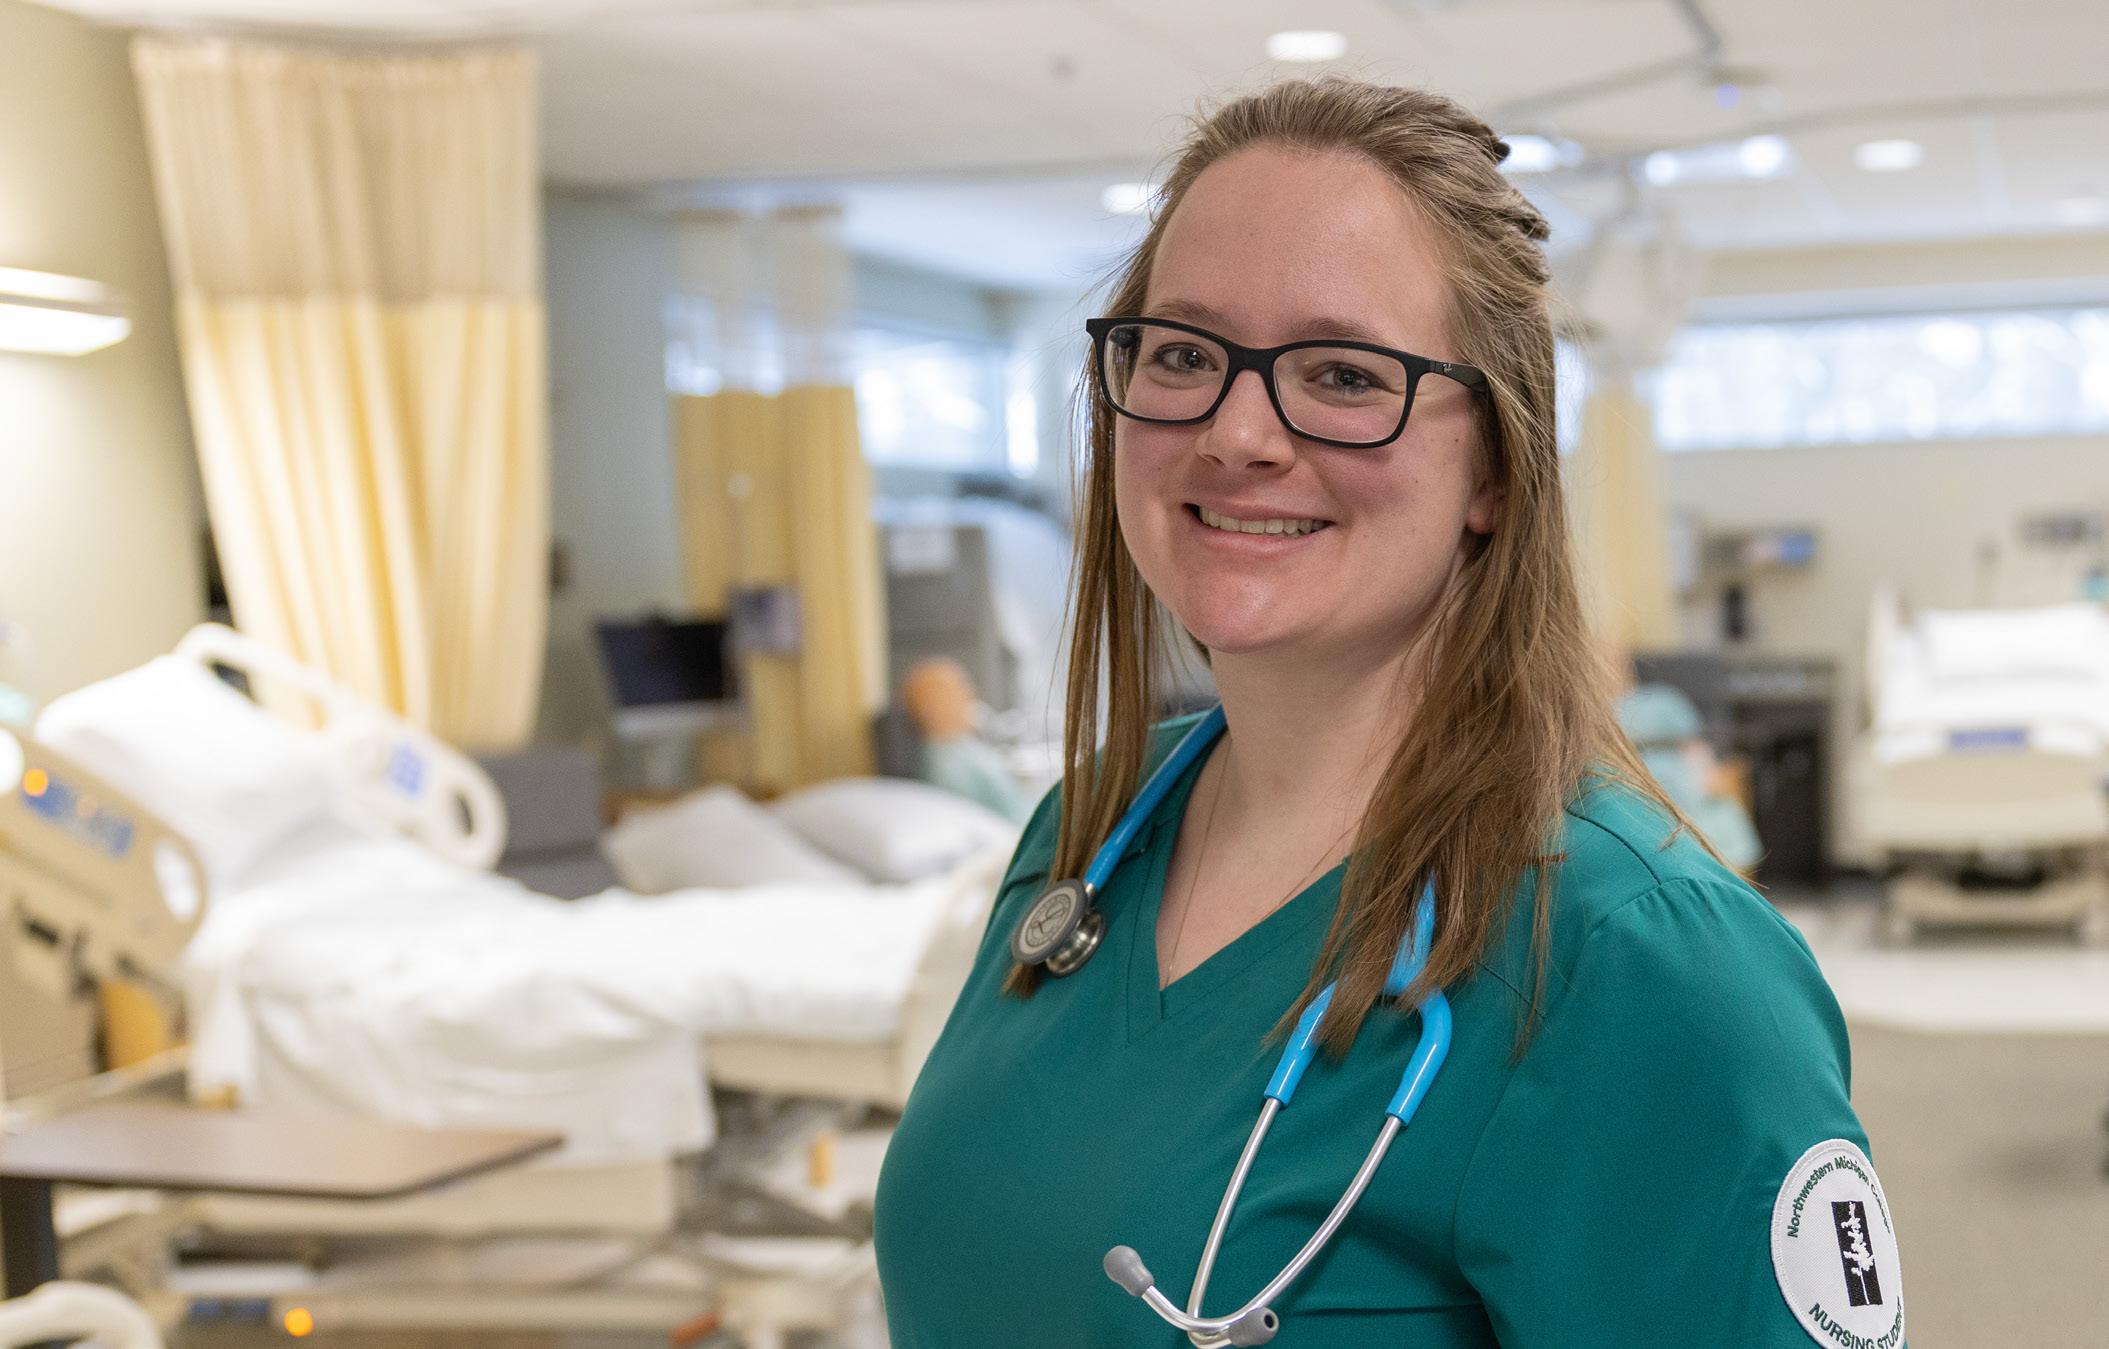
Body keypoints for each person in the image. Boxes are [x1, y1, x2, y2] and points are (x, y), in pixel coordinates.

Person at [874, 78, 1903, 1348]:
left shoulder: (1638, 961)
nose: (1237, 431)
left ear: (1494, 469)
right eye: (1183, 353)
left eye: (1345, 373)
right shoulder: (1089, 827)